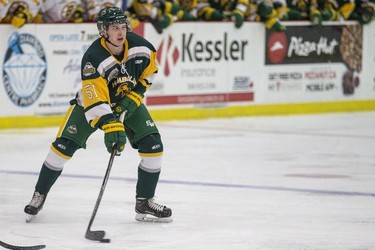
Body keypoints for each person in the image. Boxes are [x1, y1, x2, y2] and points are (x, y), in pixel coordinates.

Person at [24, 6, 172, 223]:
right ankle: (39, 194)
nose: (120, 32)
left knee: (154, 147)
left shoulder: (142, 47)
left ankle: (144, 201)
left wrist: (134, 97)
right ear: (104, 31)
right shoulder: (94, 57)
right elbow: (95, 101)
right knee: (61, 149)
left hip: (124, 101)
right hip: (90, 107)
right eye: (114, 28)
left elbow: (150, 73)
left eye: (123, 26)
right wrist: (112, 128)